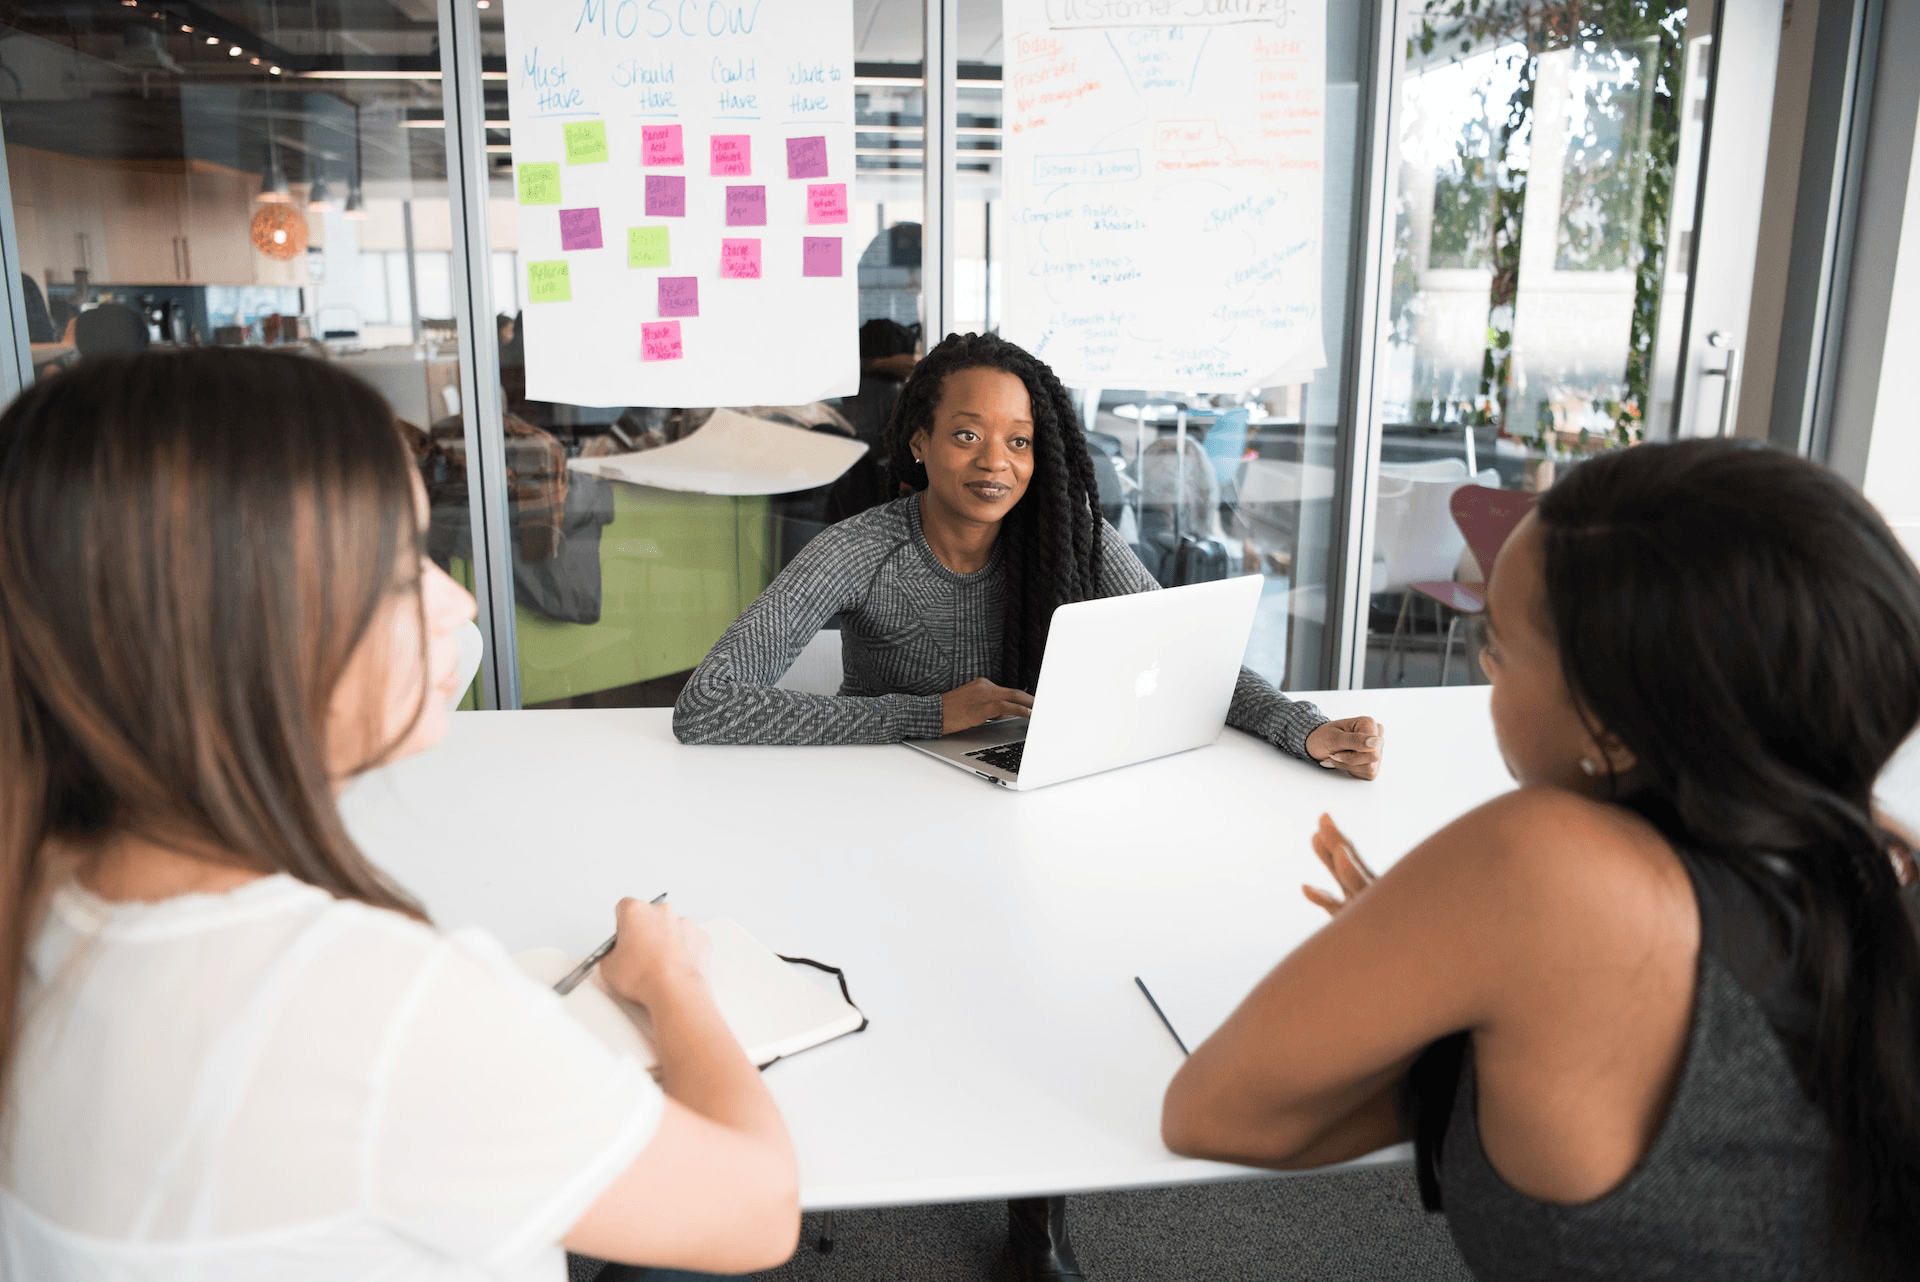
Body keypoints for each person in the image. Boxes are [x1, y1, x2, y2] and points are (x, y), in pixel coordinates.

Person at [0, 349, 801, 1280]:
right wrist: (670, 979)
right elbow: (757, 1210)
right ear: (245, 633)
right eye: (396, 571)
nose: (457, 598)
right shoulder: (362, 1007)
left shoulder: (45, 884)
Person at [673, 331, 1385, 1281]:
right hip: (873, 816)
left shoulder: (1068, 538)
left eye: (1018, 442)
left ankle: (1035, 1215)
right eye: (968, 435)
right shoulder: (862, 550)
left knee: (1054, 970)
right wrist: (931, 713)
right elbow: (709, 703)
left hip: (1018, 806)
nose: (996, 462)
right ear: (918, 442)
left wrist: (1301, 727)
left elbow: (1188, 657)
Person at [1160, 439, 1920, 1281]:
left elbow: (1216, 1115)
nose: (1487, 670)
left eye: (1501, 649)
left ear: (1618, 724)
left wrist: (1434, 968)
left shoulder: (1543, 867)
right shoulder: (1877, 855)